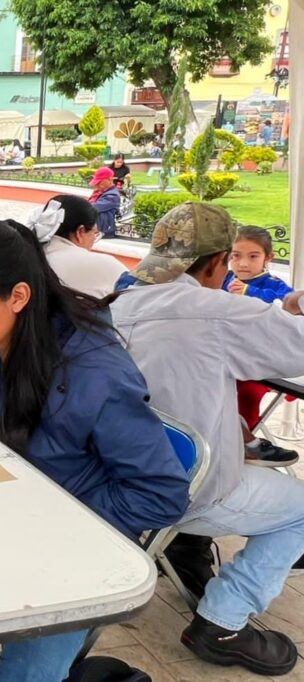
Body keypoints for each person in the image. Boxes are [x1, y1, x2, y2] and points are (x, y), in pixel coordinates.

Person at [0, 218, 189, 680]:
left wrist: (56, 515)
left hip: (78, 549)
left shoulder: (95, 373)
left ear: (18, 296)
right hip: (1, 518)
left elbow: (162, 494)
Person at [109, 202, 304, 676]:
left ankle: (188, 549)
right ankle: (224, 620)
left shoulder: (115, 304)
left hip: (116, 477)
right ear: (219, 261)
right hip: (183, 488)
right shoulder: (217, 312)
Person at [223, 226, 298, 467]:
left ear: (268, 257)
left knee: (247, 394)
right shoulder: (223, 278)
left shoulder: (273, 284)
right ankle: (228, 438)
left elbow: (289, 305)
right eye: (236, 256)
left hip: (259, 360)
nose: (243, 263)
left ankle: (247, 444)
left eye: (253, 256)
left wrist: (251, 292)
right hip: (226, 353)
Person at [40, 195, 127, 298]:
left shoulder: (29, 253)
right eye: (95, 233)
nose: (94, 239)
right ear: (80, 232)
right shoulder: (106, 265)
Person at [88, 167, 121, 239]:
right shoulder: (100, 192)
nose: (96, 185)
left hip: (103, 232)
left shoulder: (113, 195)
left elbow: (91, 208)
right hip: (96, 231)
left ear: (109, 180)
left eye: (99, 182)